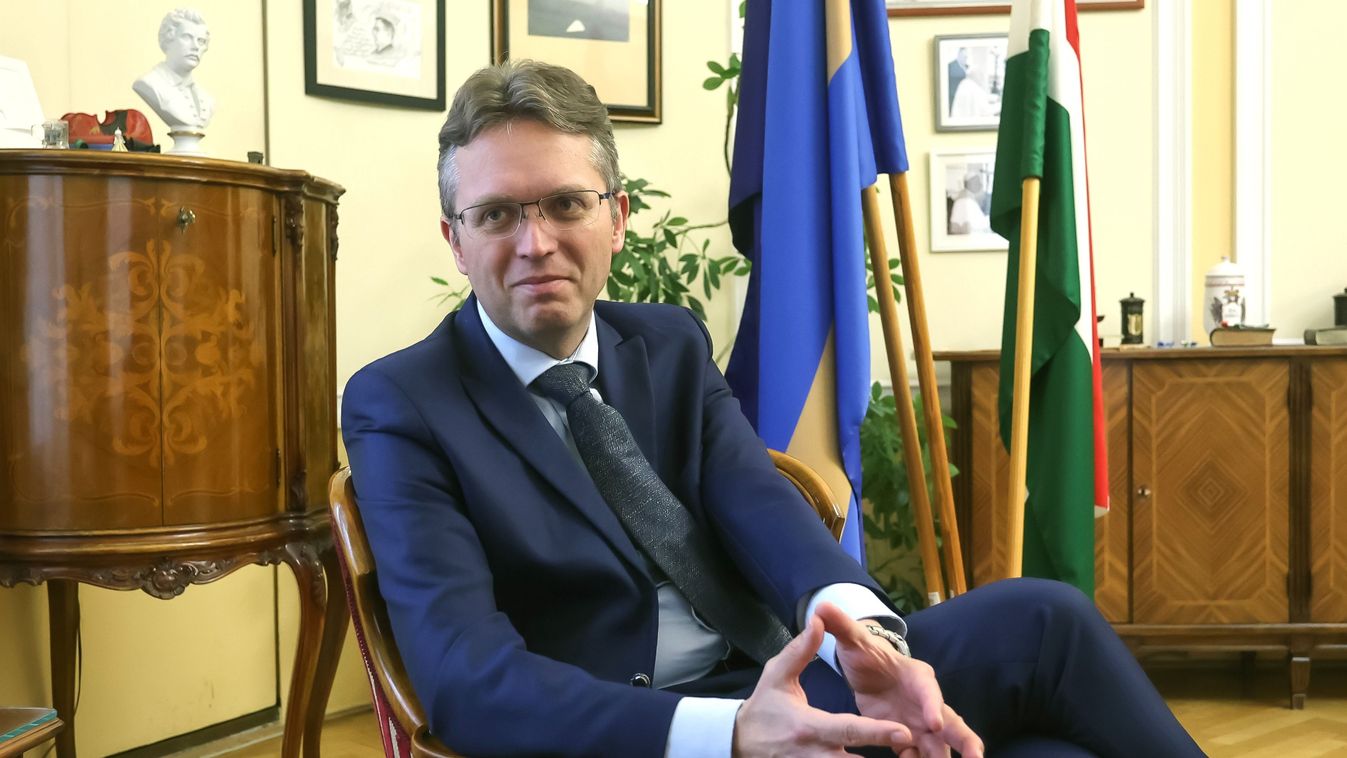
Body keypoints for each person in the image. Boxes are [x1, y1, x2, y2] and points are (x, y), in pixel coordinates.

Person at [342, 60, 1205, 757]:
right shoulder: (402, 404)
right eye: (496, 215)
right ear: (455, 240)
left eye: (566, 204)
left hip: (777, 681)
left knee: (1043, 625)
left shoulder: (667, 343)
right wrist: (729, 736)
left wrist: (865, 644)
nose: (535, 243)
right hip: (636, 733)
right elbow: (467, 679)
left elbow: (761, 509)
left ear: (617, 218)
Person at [132, 8, 214, 131]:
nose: (196, 46)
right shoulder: (150, 83)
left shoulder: (207, 100)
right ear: (168, 38)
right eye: (187, 37)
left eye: (201, 41)